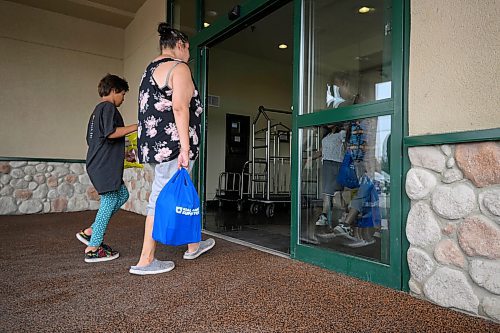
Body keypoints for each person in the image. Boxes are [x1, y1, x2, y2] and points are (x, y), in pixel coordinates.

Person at [129, 23, 215, 275]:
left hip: (156, 146)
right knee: (160, 197)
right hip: (174, 146)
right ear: (180, 45)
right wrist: (185, 149)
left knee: (181, 188)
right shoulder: (179, 68)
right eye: (188, 49)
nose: (188, 54)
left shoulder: (149, 71)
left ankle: (193, 244)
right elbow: (180, 107)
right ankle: (146, 260)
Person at [76, 74, 138, 262]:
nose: (123, 98)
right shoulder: (108, 107)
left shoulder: (97, 111)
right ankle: (93, 247)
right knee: (110, 200)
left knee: (122, 195)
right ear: (113, 90)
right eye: (123, 94)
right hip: (104, 165)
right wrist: (135, 126)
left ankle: (91, 231)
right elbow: (110, 132)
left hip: (100, 163)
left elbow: (96, 138)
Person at [312, 123, 347, 227]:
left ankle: (344, 214)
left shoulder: (341, 133)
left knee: (337, 193)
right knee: (327, 192)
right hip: (327, 164)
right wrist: (309, 158)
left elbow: (346, 148)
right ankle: (325, 215)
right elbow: (322, 151)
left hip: (337, 164)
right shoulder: (327, 136)